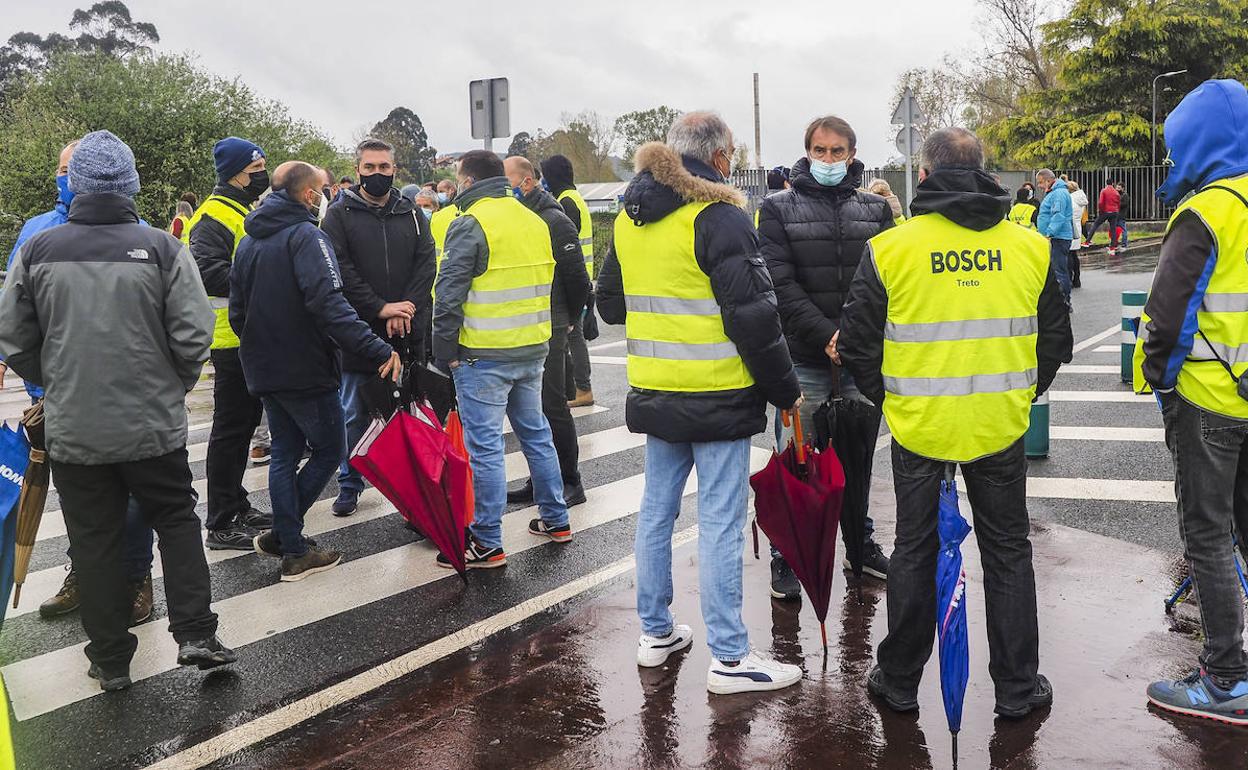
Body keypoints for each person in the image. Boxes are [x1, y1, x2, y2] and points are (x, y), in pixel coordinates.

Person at [838, 126, 1071, 721]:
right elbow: (1055, 341)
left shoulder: (892, 248)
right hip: (1000, 423)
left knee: (914, 550)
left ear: (923, 175)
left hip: (920, 426)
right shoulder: (1030, 245)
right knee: (1007, 552)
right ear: (987, 172)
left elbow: (860, 344)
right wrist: (1020, 392)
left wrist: (896, 402)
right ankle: (1018, 688)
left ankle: (898, 681)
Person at [0, 130, 237, 691]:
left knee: (94, 537)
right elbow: (193, 331)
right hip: (151, 425)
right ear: (130, 185)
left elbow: (13, 334)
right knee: (176, 521)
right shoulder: (159, 247)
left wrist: (53, 379)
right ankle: (197, 635)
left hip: (74, 428)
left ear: (74, 185)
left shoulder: (38, 249)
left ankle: (109, 659)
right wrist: (171, 386)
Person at [597, 111, 804, 694]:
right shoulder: (720, 218)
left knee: (657, 512)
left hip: (657, 390)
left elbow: (610, 304)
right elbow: (756, 319)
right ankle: (731, 659)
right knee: (719, 521)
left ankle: (656, 632)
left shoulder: (630, 219)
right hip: (717, 392)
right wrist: (785, 391)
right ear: (717, 159)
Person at [3, 139, 156, 625]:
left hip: (123, 396)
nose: (72, 178)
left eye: (79, 169)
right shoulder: (36, 231)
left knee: (131, 498)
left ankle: (135, 578)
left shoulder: (140, 232)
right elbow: (15, 312)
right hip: (56, 396)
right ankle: (84, 574)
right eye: (64, 169)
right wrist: (34, 373)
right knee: (78, 496)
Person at [230, 161, 401, 580]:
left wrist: (259, 344)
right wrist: (377, 348)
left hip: (263, 365)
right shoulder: (308, 236)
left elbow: (237, 310)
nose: (327, 196)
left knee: (285, 453)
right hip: (305, 366)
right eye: (323, 190)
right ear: (309, 195)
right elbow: (330, 305)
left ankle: (287, 539)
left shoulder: (249, 241)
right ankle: (290, 541)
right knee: (329, 449)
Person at [1139, 78, 1248, 726]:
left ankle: (1227, 679)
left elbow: (1168, 312)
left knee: (1207, 537)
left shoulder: (1205, 211)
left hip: (1207, 400)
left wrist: (1158, 375)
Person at [757, 114, 894, 600]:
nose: (829, 160)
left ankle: (861, 544)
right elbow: (779, 282)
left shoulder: (876, 210)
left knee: (857, 460)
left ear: (852, 155)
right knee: (797, 461)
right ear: (807, 152)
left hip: (860, 361)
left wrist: (851, 339)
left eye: (838, 152)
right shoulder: (776, 208)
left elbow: (886, 281)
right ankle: (789, 554)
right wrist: (825, 336)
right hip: (803, 360)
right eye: (821, 151)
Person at [432, 150, 571, 568]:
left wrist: (444, 354)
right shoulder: (533, 219)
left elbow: (448, 295)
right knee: (536, 435)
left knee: (486, 448)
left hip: (482, 356)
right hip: (532, 350)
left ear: (468, 181)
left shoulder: (469, 223)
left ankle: (487, 540)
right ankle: (556, 519)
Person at [322, 138, 436, 516]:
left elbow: (426, 264)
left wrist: (407, 308)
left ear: (394, 169)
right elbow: (340, 270)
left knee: (411, 415)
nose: (376, 174)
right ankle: (350, 483)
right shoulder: (338, 215)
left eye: (383, 168)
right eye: (369, 168)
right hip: (361, 332)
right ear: (358, 170)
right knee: (355, 413)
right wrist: (381, 308)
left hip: (407, 331)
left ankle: (413, 492)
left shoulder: (413, 214)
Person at [185, 136, 273, 550]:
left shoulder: (240, 209)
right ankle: (220, 520)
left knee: (241, 428)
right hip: (229, 337)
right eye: (257, 170)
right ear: (237, 172)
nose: (262, 177)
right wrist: (265, 279)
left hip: (248, 334)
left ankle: (236, 503)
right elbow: (208, 273)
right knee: (230, 429)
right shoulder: (213, 216)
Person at [503, 155, 592, 507]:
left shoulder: (554, 219)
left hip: (551, 323)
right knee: (532, 409)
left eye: (507, 180)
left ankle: (571, 481)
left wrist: (569, 318)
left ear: (526, 182)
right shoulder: (522, 216)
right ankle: (542, 478)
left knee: (553, 405)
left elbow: (578, 278)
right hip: (528, 322)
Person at [541, 155, 596, 409]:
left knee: (574, 336)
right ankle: (581, 387)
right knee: (575, 335)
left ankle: (582, 388)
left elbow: (565, 246)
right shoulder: (574, 198)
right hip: (581, 276)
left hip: (573, 280)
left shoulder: (565, 202)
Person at [1036, 169, 1074, 307]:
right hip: (1057, 237)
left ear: (1048, 180)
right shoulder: (1056, 192)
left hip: (1057, 237)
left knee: (1059, 271)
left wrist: (1048, 234)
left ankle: (1063, 302)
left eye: (1040, 182)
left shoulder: (1058, 194)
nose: (1039, 186)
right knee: (1058, 269)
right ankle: (1061, 300)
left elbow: (1058, 216)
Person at [1085, 179, 1121, 254]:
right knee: (1113, 228)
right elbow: (1118, 202)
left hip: (1105, 211)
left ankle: (1087, 241)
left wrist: (1101, 211)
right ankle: (1112, 247)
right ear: (1113, 183)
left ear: (1106, 183)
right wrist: (1116, 210)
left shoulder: (1104, 191)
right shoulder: (1116, 192)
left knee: (1095, 224)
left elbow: (1101, 202)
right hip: (1114, 212)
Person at [1068, 179, 1088, 288]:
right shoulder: (1080, 198)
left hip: (1071, 228)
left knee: (1069, 255)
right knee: (1074, 255)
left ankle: (1070, 278)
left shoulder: (1071, 199)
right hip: (1077, 227)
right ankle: (1077, 279)